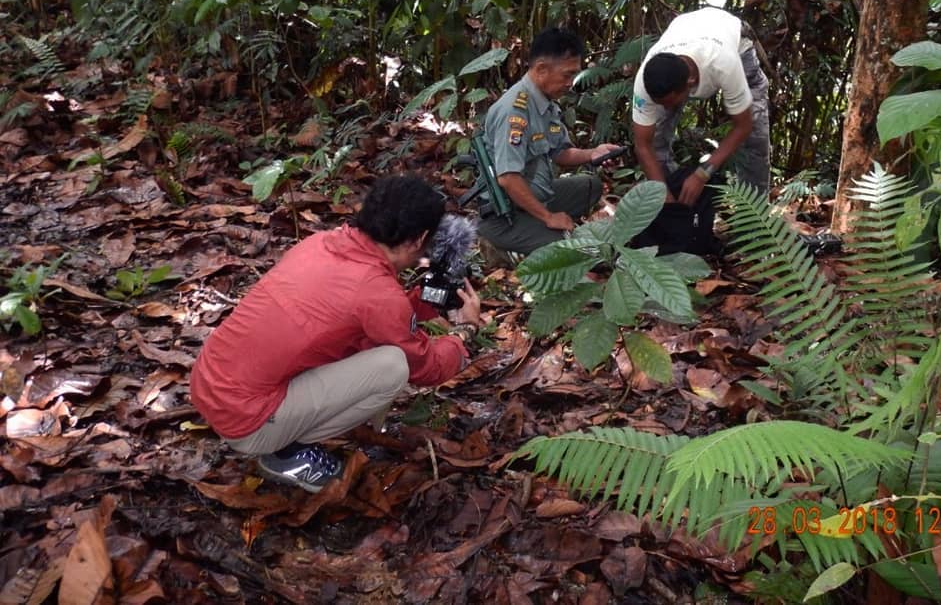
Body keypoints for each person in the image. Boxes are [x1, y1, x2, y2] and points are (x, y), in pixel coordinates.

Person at [189, 174, 482, 493]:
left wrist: (424, 302)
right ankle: (288, 453)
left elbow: (363, 320)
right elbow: (425, 367)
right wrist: (464, 332)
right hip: (247, 423)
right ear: (418, 239)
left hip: (210, 386)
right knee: (392, 366)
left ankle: (285, 435)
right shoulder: (376, 293)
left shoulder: (321, 244)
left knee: (370, 348)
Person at [476, 27, 622, 259]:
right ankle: (501, 243)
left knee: (590, 186)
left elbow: (560, 153)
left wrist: (593, 152)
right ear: (542, 69)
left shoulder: (546, 102)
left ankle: (537, 231)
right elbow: (508, 178)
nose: (571, 83)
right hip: (505, 215)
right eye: (567, 75)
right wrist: (548, 217)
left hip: (536, 196)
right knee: (578, 250)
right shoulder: (514, 110)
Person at [631, 6, 771, 206]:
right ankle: (672, 202)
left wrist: (702, 173)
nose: (667, 108)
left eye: (670, 103)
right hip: (685, 29)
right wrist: (663, 195)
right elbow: (643, 145)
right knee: (657, 138)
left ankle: (755, 216)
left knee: (756, 135)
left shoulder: (724, 64)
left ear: (689, 85)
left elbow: (743, 126)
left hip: (732, 40)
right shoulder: (646, 80)